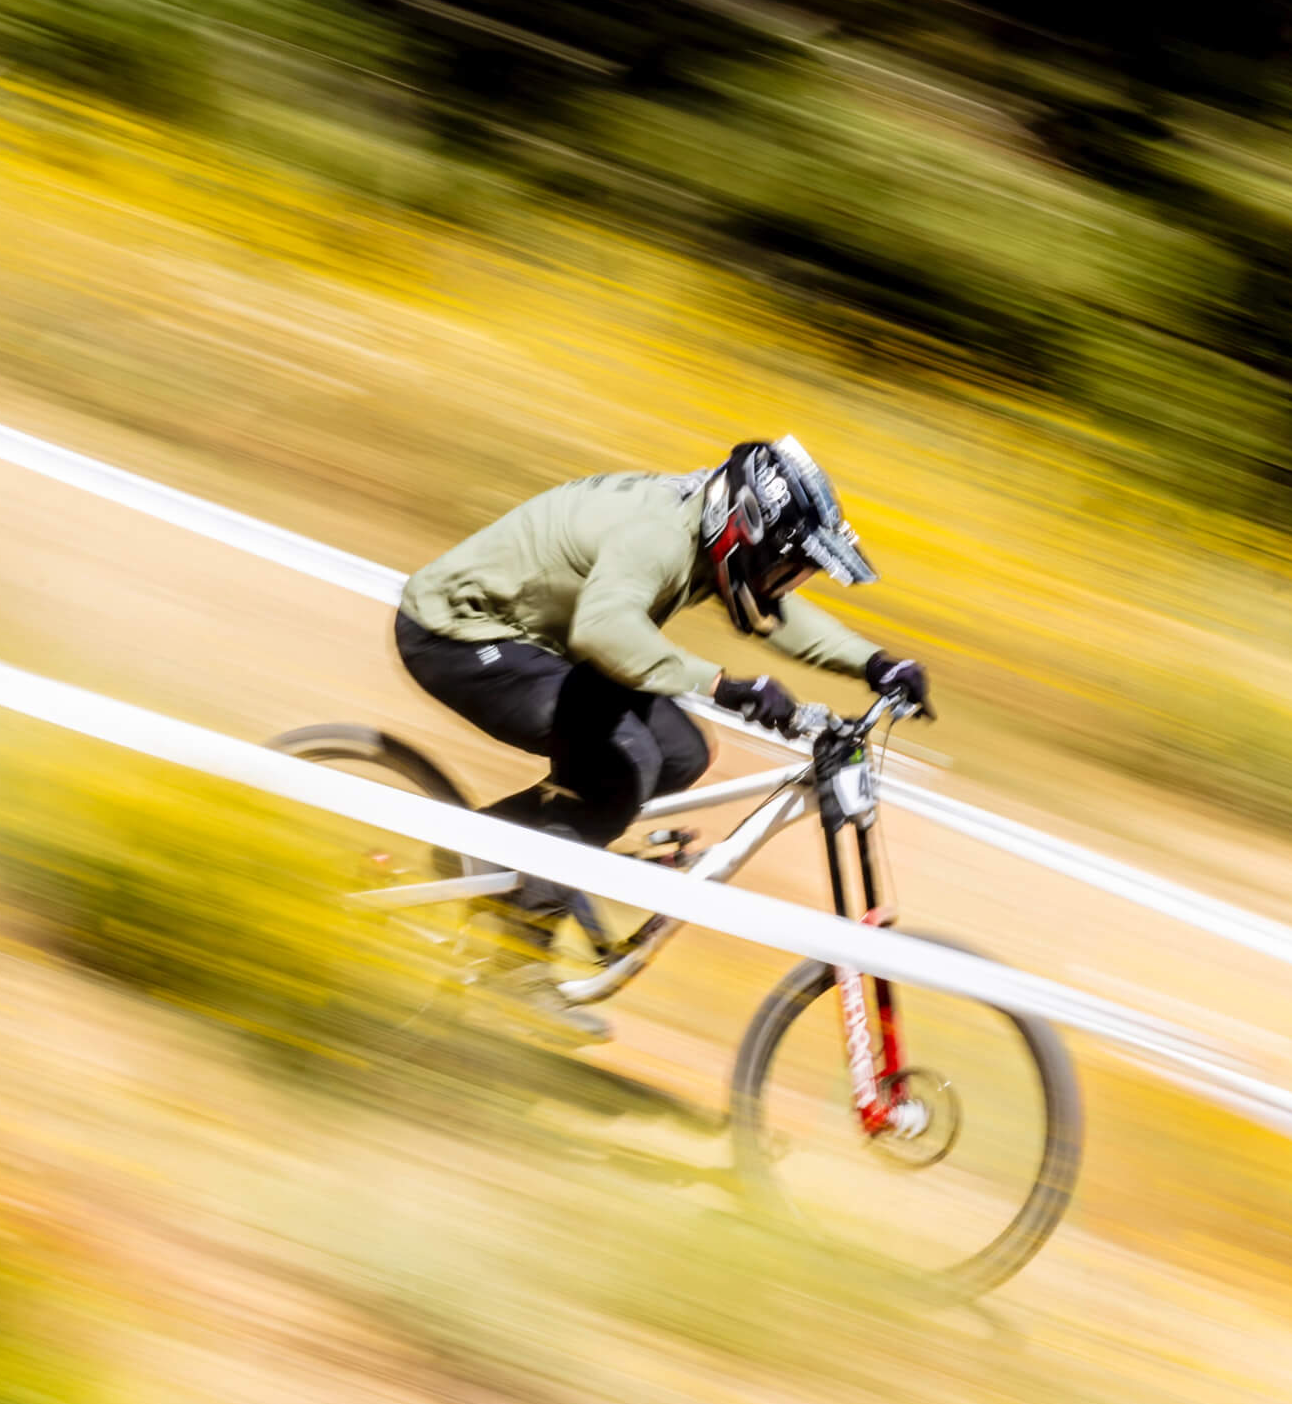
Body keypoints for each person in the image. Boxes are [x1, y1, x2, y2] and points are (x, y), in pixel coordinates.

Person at [394, 435, 929, 1040]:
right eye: (782, 567)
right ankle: (514, 969)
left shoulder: (707, 526)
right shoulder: (659, 536)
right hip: (457, 636)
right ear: (744, 532)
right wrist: (722, 684)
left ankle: (485, 847)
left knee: (681, 753)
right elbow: (604, 629)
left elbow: (777, 612)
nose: (782, 583)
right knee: (620, 767)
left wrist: (873, 662)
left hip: (538, 642)